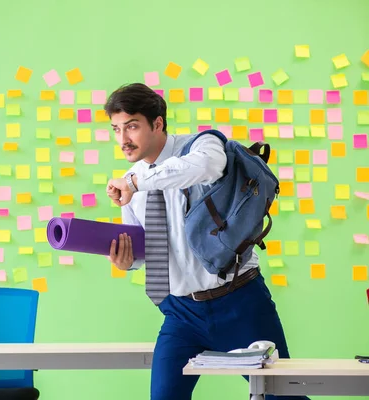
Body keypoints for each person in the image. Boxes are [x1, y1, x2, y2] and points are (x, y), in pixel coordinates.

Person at [104, 83, 309, 400]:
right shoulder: (131, 185)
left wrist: (135, 181)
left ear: (157, 123)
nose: (123, 140)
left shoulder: (201, 146)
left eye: (131, 126)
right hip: (181, 313)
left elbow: (209, 166)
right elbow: (146, 251)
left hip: (239, 301)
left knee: (282, 396)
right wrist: (128, 260)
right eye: (116, 129)